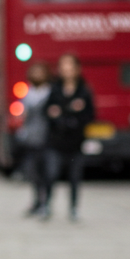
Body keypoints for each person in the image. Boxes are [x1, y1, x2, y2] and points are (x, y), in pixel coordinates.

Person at [43, 53, 95, 221]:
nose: (66, 71)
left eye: (70, 67)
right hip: (56, 141)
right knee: (51, 174)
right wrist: (54, 114)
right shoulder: (55, 88)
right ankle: (47, 205)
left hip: (75, 142)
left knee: (74, 178)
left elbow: (91, 115)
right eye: (63, 67)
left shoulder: (84, 91)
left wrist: (77, 114)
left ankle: (73, 208)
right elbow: (47, 110)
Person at [18, 61, 53, 216]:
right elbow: (23, 115)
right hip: (31, 138)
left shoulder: (51, 92)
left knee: (47, 173)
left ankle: (46, 203)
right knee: (33, 172)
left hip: (47, 138)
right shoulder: (28, 93)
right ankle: (37, 201)